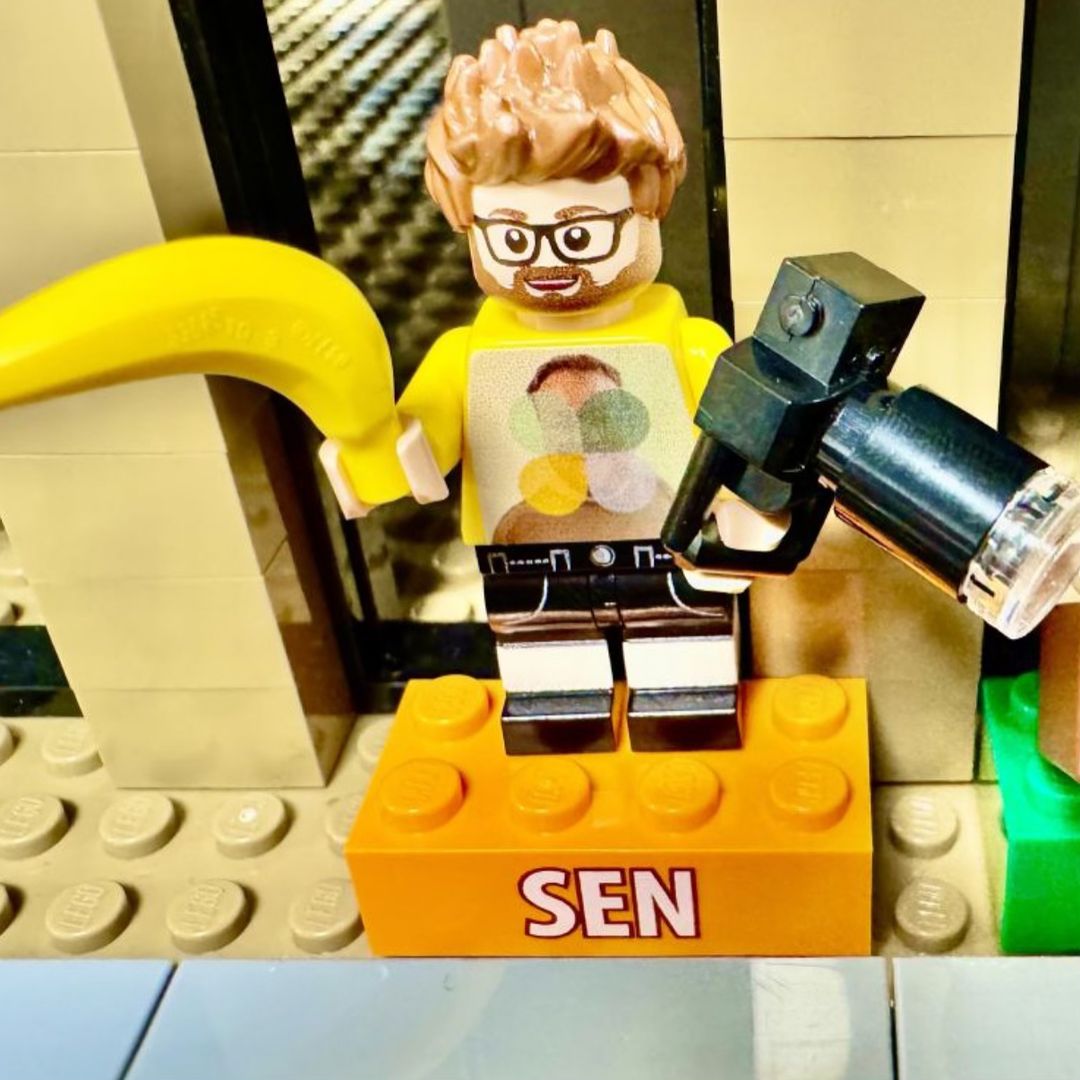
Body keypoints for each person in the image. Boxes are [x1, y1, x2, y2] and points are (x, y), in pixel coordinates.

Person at [321, 19, 784, 754]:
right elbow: (419, 439)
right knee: (549, 673)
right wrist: (375, 455)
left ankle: (684, 721)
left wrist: (750, 510)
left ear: (647, 208)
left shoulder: (689, 342)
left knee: (683, 660)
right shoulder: (464, 354)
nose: (546, 263)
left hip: (666, 547)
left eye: (578, 234)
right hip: (524, 554)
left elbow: (747, 438)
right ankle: (558, 728)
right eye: (511, 237)